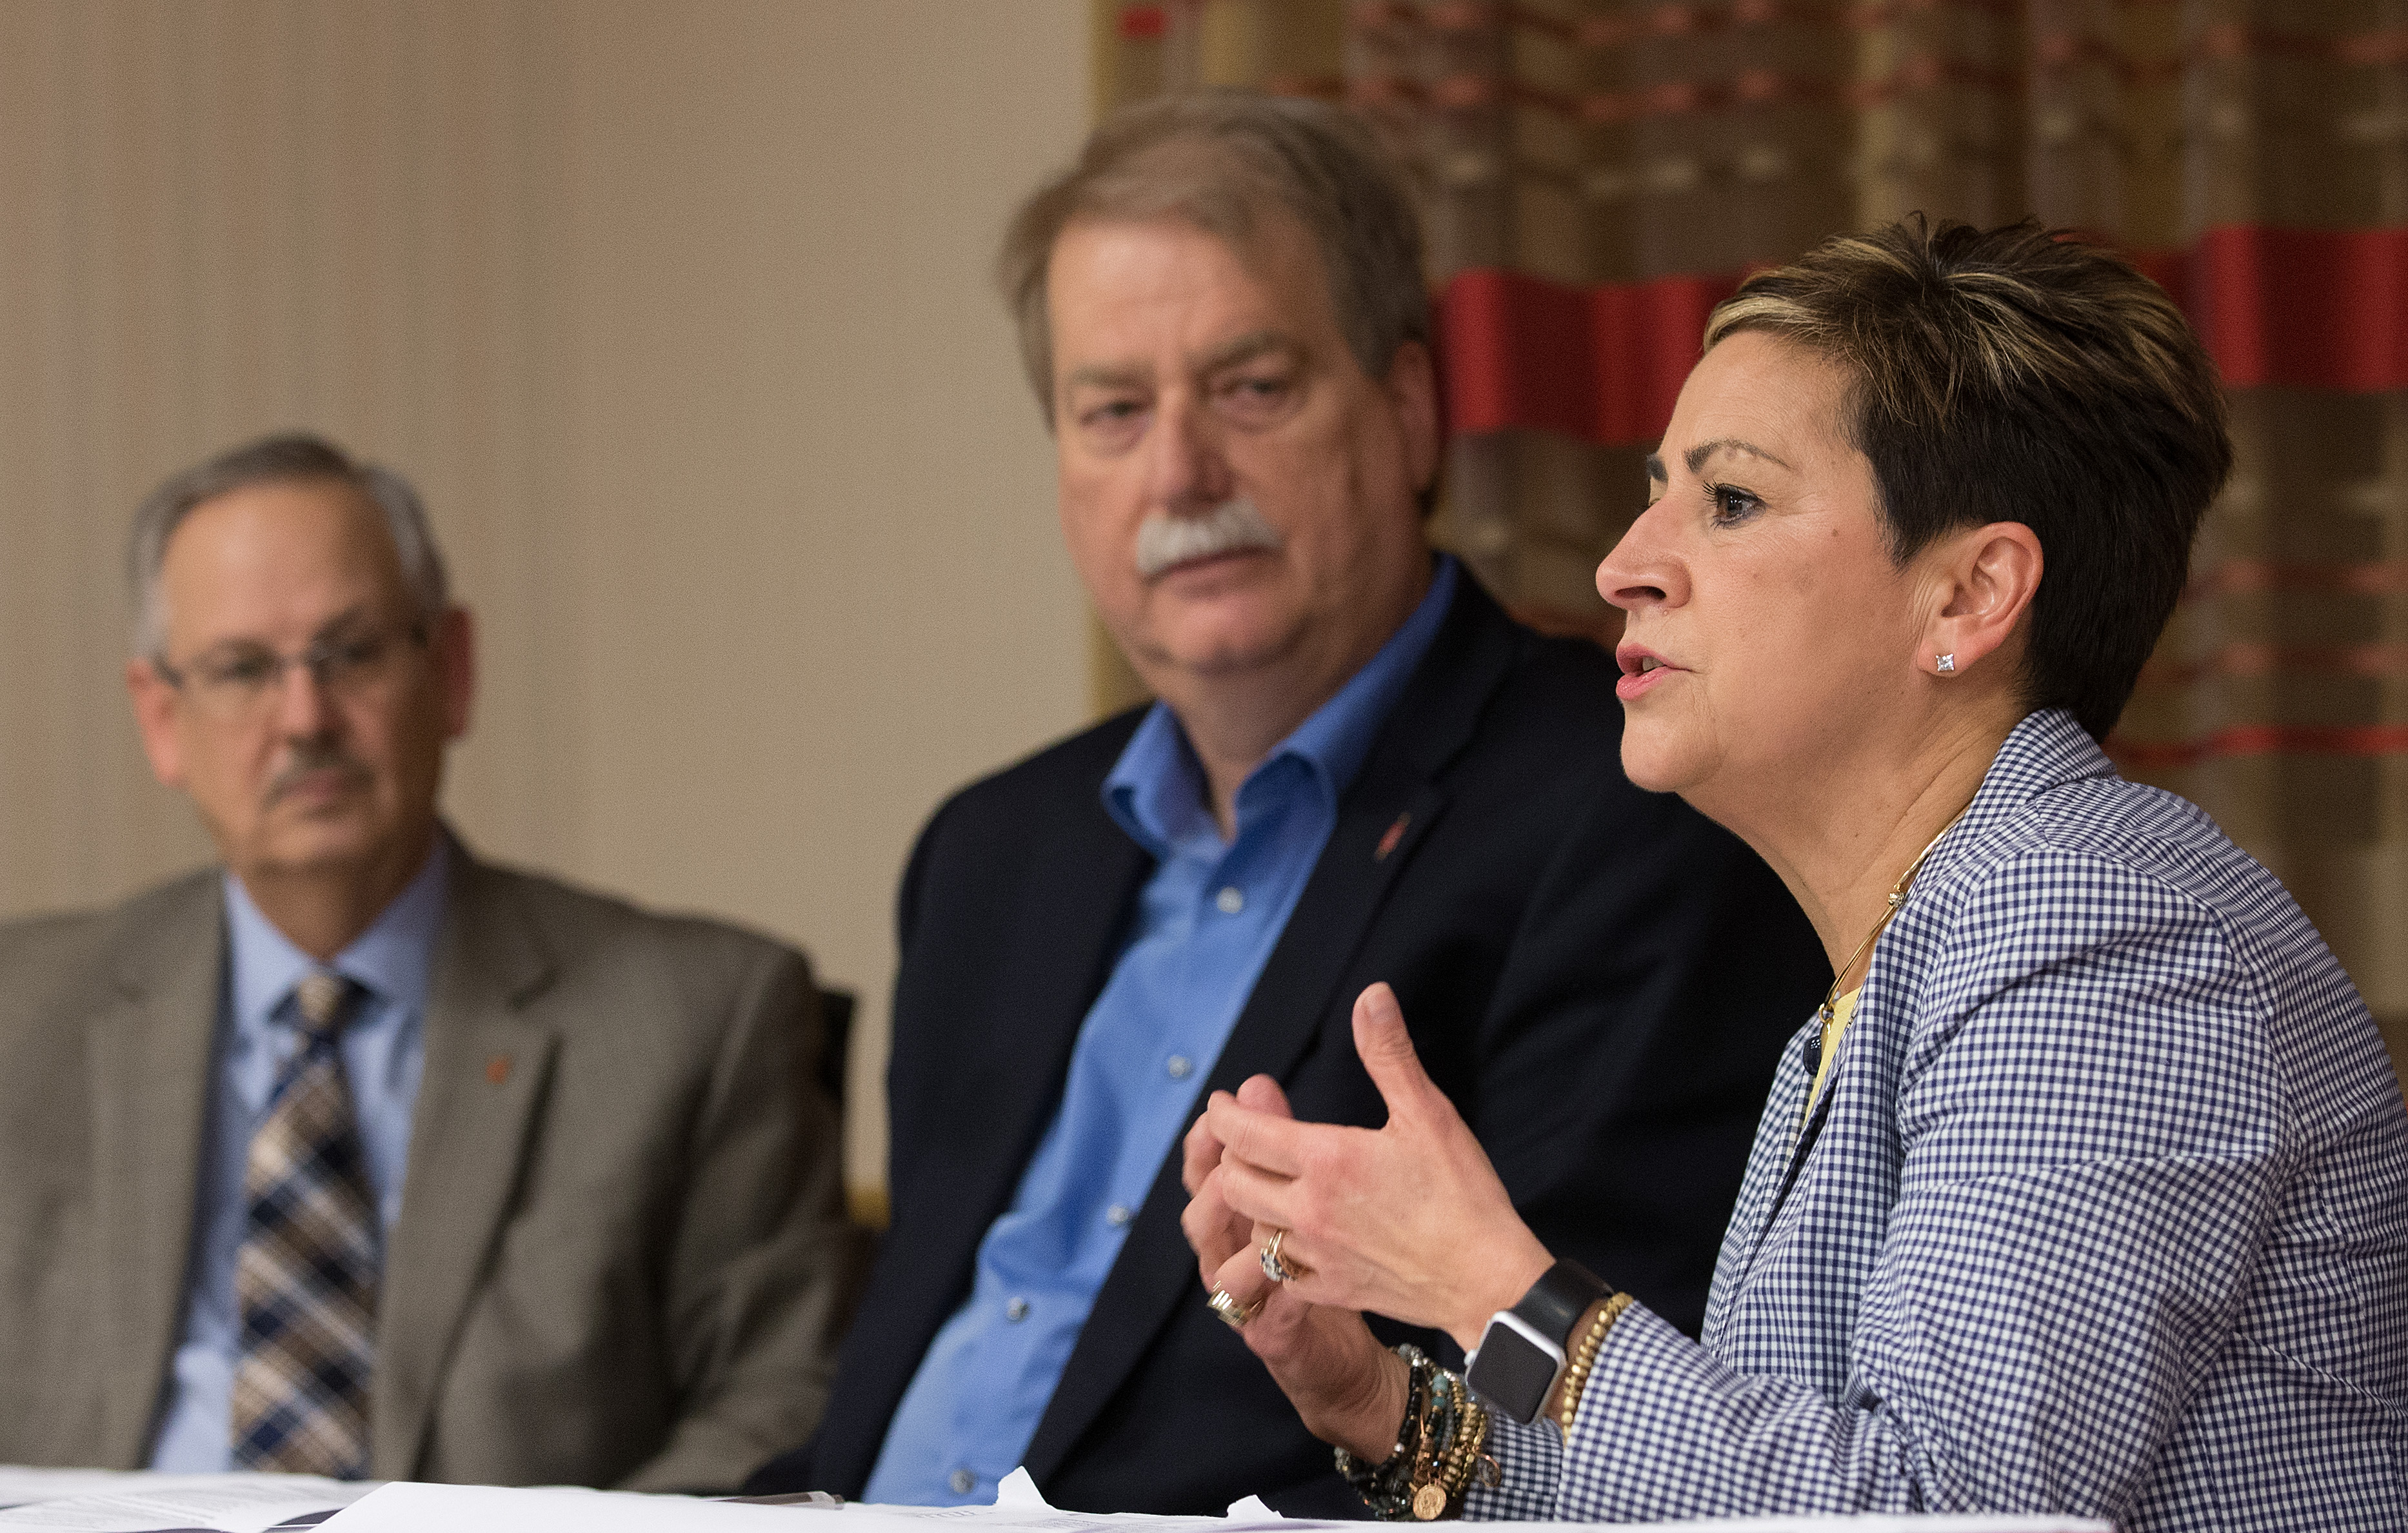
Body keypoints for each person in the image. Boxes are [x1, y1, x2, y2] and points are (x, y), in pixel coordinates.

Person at [1186, 218, 2408, 1529]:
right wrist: (1389, 1406)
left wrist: (1484, 1276)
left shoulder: (2097, 923)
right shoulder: (1901, 951)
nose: (1621, 566)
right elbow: (1775, 1497)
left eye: (1730, 500)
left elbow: (1931, 1516)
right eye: (1654, 490)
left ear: (1966, 597)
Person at [746, 92, 1827, 1516]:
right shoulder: (986, 855)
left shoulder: (1629, 805)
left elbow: (1575, 1440)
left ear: (1408, 408)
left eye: (1250, 388)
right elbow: (896, 1368)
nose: (1179, 474)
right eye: (1114, 411)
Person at [0, 433, 860, 1492]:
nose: (304, 718)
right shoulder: (20, 1015)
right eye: (240, 670)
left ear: (449, 670)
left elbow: (777, 1400)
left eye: (351, 652)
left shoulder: (702, 1018)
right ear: (162, 718)